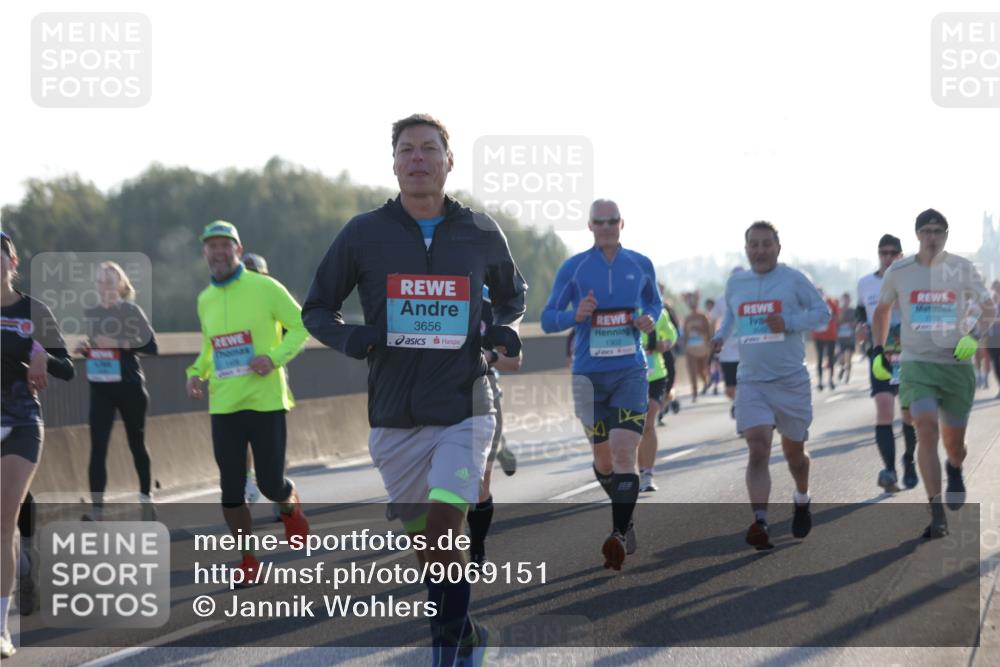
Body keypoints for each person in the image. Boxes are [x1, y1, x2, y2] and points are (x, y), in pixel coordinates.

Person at [302, 114, 526, 665]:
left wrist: (502, 327)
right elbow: (317, 309)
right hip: (394, 413)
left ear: (449, 161)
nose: (418, 159)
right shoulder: (363, 233)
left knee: (447, 532)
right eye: (407, 150)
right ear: (394, 163)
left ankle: (445, 654)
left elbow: (513, 295)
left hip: (465, 404)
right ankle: (466, 633)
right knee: (429, 550)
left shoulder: (479, 231)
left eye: (429, 149)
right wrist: (354, 339)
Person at [185, 220, 310, 582]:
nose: (219, 252)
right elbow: (210, 348)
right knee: (230, 489)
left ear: (238, 250)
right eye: (212, 246)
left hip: (265, 401)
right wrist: (195, 372)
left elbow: (301, 326)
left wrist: (274, 357)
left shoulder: (265, 287)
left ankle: (289, 504)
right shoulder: (205, 299)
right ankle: (248, 560)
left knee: (270, 484)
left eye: (225, 246)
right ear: (205, 253)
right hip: (224, 405)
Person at [541, 198, 661, 570]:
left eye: (612, 221)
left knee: (625, 454)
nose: (606, 226)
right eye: (600, 221)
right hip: (588, 377)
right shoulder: (574, 268)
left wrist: (649, 319)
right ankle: (626, 517)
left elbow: (654, 304)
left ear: (622, 224)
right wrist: (574, 315)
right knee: (604, 461)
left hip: (630, 372)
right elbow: (547, 319)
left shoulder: (640, 264)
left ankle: (618, 534)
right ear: (590, 225)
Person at [872, 209, 995, 538]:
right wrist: (878, 350)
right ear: (917, 235)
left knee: (955, 445)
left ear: (946, 235)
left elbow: (989, 307)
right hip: (916, 364)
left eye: (938, 231)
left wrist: (974, 336)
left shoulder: (962, 268)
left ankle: (954, 467)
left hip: (955, 364)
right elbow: (882, 310)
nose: (932, 236)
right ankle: (936, 510)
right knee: (925, 429)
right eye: (926, 230)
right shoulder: (899, 271)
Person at [712, 221, 830, 550]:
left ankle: (802, 498)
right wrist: (720, 336)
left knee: (795, 455)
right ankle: (760, 522)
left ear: (778, 247)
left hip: (791, 381)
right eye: (754, 244)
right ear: (746, 248)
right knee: (758, 447)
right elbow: (732, 316)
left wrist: (789, 322)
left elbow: (823, 314)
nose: (760, 250)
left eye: (766, 244)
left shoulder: (794, 279)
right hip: (752, 380)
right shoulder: (736, 283)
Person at [1, 232, 75, 658]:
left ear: (13, 262)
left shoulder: (33, 311)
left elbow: (68, 368)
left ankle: (1, 629)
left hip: (21, 422)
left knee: (2, 522)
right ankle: (25, 565)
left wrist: (46, 358)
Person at [75, 261, 158, 521]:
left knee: (136, 443)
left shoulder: (131, 310)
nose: (104, 287)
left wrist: (118, 343)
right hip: (101, 387)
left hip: (130, 386)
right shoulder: (92, 313)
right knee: (98, 447)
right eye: (100, 282)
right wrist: (86, 347)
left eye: (109, 282)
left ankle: (146, 499)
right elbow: (98, 346)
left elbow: (152, 346)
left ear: (121, 285)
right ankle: (97, 511)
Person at [857, 234, 918, 492]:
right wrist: (861, 326)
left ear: (901, 256)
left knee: (909, 413)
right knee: (883, 408)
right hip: (880, 352)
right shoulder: (865, 283)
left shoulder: (913, 280)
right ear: (878, 255)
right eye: (884, 253)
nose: (888, 257)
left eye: (894, 253)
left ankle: (909, 460)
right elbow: (861, 310)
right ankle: (890, 470)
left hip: (909, 351)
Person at [467, 286, 522, 567]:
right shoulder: (432, 290)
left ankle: (477, 549)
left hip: (483, 393)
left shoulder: (491, 300)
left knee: (479, 480)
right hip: (437, 393)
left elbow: (515, 361)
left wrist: (491, 357)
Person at [638, 307, 677, 492]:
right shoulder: (626, 308)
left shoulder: (659, 311)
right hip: (631, 377)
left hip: (656, 376)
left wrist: (665, 344)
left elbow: (672, 335)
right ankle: (638, 471)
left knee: (648, 423)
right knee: (636, 428)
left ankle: (648, 475)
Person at [710, 268, 743, 420]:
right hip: (727, 351)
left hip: (746, 350)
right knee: (730, 390)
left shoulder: (752, 296)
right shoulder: (722, 299)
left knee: (748, 384)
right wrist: (715, 338)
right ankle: (739, 402)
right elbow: (713, 319)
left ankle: (743, 406)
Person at [812, 289, 840, 391]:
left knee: (829, 358)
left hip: (829, 334)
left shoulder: (830, 302)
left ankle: (830, 380)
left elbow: (837, 316)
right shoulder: (812, 303)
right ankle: (821, 381)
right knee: (820, 358)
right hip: (819, 335)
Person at [835, 292, 856, 385]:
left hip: (851, 337)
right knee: (841, 358)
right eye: (844, 299)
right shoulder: (839, 310)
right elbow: (836, 322)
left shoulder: (853, 311)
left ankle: (848, 375)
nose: (846, 301)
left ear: (850, 300)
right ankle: (843, 368)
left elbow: (857, 322)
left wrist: (852, 324)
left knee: (849, 359)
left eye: (847, 299)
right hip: (841, 337)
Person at [989, 280, 1000, 398]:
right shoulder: (991, 302)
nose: (996, 290)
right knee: (995, 363)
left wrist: (992, 320)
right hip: (992, 336)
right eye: (994, 288)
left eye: (997, 288)